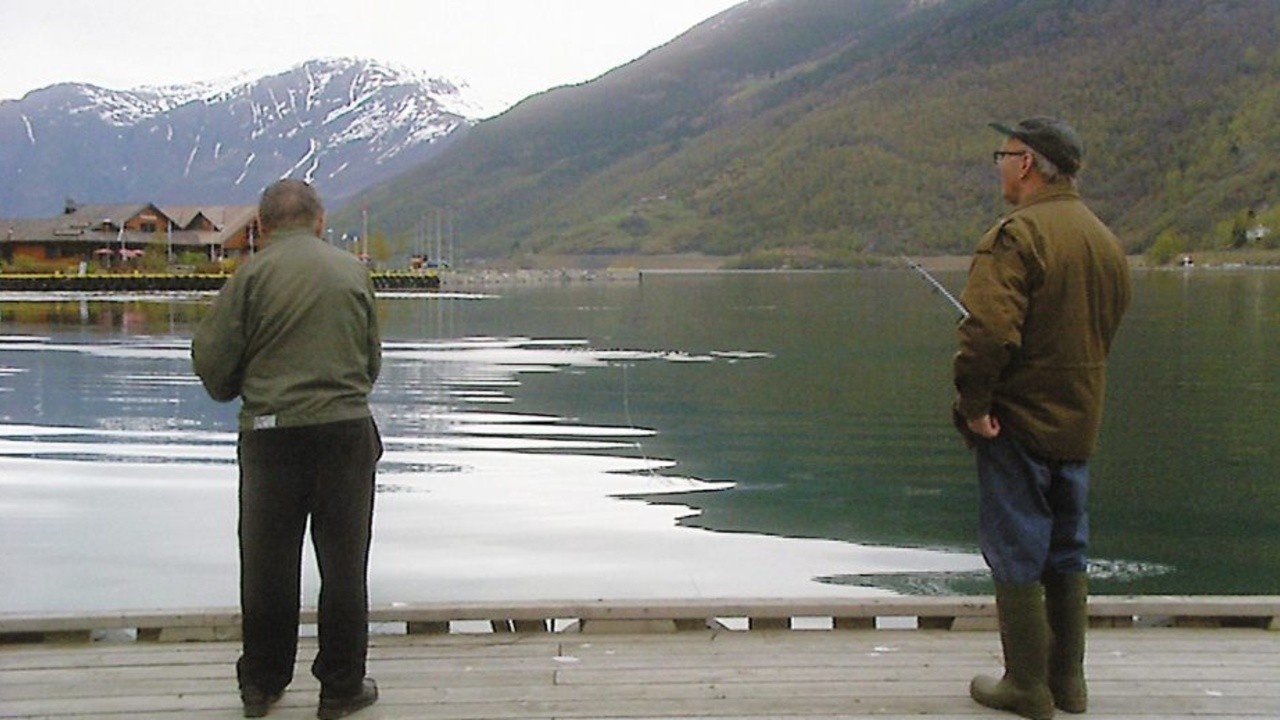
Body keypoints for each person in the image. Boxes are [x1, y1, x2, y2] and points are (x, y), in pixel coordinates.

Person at [953, 118, 1130, 720]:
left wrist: (975, 407)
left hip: (1018, 422)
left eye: (1002, 155)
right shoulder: (1104, 239)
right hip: (1080, 420)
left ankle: (1027, 686)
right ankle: (1069, 685)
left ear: (1026, 163)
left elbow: (987, 334)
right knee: (1067, 547)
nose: (999, 166)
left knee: (1016, 546)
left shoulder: (1017, 236)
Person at [192, 179, 382, 719]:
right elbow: (371, 362)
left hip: (271, 437)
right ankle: (341, 688)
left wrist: (248, 389)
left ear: (261, 225)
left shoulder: (249, 277)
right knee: (344, 566)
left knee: (267, 565)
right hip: (346, 432)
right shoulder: (353, 272)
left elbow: (213, 366)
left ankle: (261, 685)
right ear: (320, 221)